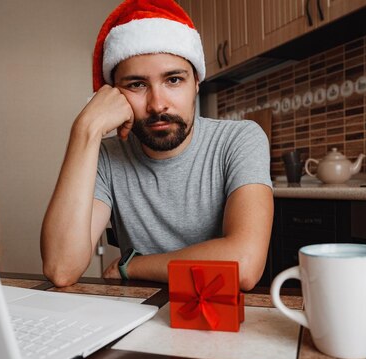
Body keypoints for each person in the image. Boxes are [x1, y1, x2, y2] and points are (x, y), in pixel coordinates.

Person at [41, 0, 273, 291]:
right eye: (137, 85)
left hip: (222, 316)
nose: (157, 104)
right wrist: (85, 130)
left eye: (173, 80)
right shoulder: (106, 156)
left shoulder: (240, 139)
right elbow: (61, 268)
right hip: (141, 316)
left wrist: (131, 265)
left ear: (196, 83)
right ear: (112, 94)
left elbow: (244, 265)